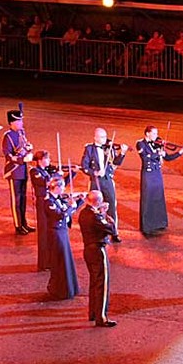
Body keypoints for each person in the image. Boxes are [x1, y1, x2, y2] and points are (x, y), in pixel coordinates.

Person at [135, 125, 183, 235]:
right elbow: (145, 157)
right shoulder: (140, 143)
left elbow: (167, 158)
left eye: (156, 134)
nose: (156, 136)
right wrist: (157, 154)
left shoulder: (157, 144)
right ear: (147, 133)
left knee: (158, 197)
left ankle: (159, 223)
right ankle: (147, 225)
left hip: (157, 173)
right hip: (148, 174)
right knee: (147, 198)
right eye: (154, 134)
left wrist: (179, 153)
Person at [80, 128, 128, 241]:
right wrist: (95, 173)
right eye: (102, 137)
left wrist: (122, 153)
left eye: (105, 137)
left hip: (107, 180)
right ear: (95, 137)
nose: (105, 139)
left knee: (111, 205)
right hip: (96, 181)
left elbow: (116, 162)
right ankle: (96, 230)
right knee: (94, 205)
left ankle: (114, 232)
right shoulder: (89, 149)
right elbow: (84, 166)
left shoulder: (109, 148)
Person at [79, 190, 118, 327]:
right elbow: (111, 229)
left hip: (88, 249)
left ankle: (93, 312)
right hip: (97, 250)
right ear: (98, 201)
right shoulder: (95, 217)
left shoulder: (84, 213)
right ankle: (101, 316)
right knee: (102, 283)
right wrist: (106, 215)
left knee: (94, 282)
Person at [45, 176, 84, 300]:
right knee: (60, 262)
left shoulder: (58, 199)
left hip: (62, 232)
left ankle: (68, 287)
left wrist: (79, 202)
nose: (63, 190)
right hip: (56, 233)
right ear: (56, 188)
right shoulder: (49, 202)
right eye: (61, 187)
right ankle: (59, 289)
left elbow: (67, 211)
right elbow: (60, 215)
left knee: (65, 260)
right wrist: (72, 206)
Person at [3, 105, 34, 234]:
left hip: (23, 170)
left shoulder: (21, 133)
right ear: (12, 123)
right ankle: (18, 225)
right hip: (14, 171)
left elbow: (24, 147)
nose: (21, 123)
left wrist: (29, 148)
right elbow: (9, 156)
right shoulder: (8, 136)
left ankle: (24, 223)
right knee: (16, 199)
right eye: (19, 121)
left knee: (23, 199)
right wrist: (22, 160)